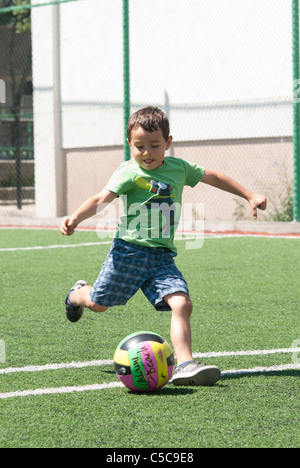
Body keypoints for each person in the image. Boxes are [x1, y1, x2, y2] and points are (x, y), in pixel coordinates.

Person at [60, 106, 267, 387]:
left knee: (181, 303)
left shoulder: (179, 169)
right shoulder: (128, 172)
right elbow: (100, 200)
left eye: (154, 145)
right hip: (128, 252)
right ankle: (76, 295)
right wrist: (76, 217)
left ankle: (185, 364)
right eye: (139, 146)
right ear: (129, 145)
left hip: (161, 257)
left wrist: (249, 195)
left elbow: (213, 176)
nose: (147, 152)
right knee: (98, 304)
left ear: (167, 143)